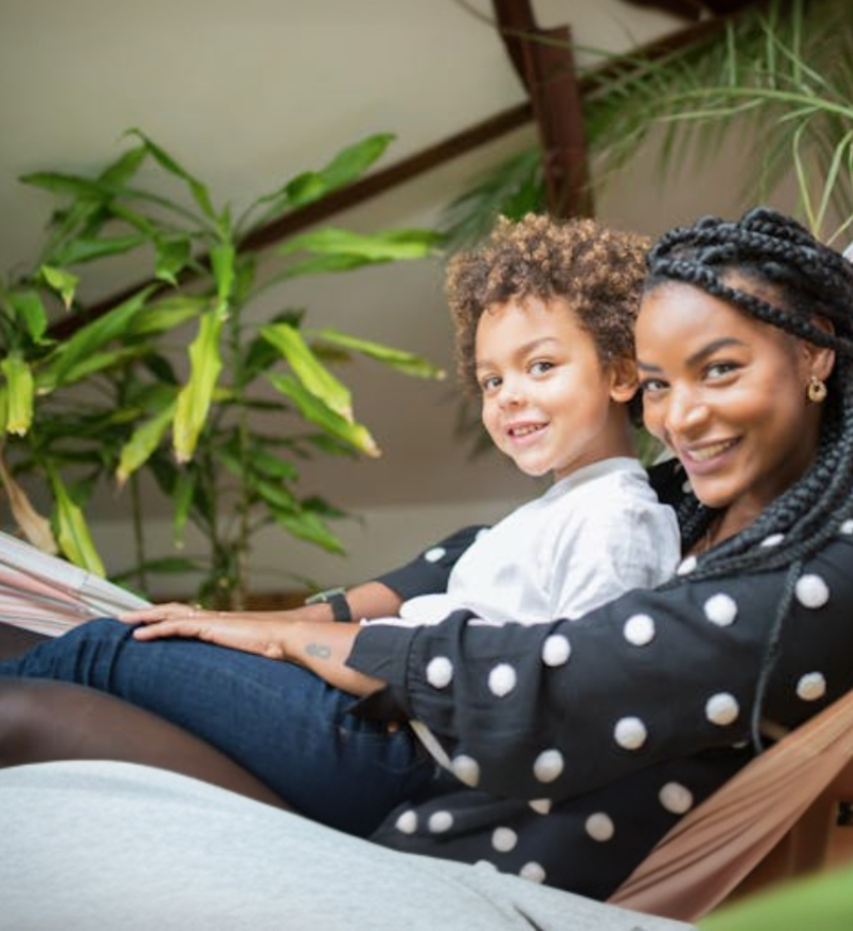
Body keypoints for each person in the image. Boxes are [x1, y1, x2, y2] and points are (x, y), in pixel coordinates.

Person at [0, 208, 853, 903]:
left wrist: (292, 644)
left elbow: (546, 687)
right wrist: (283, 622)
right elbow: (454, 564)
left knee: (81, 671)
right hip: (403, 799)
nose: (680, 416)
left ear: (816, 358)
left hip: (440, 845)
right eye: (659, 383)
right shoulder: (687, 495)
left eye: (720, 369)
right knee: (34, 706)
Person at [0, 214, 680, 834]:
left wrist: (292, 642)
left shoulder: (617, 519)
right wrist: (266, 634)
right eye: (492, 379)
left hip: (383, 745)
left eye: (540, 366)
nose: (509, 397)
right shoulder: (555, 511)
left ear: (620, 373)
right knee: (107, 645)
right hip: (365, 715)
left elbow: (572, 699)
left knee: (104, 650)